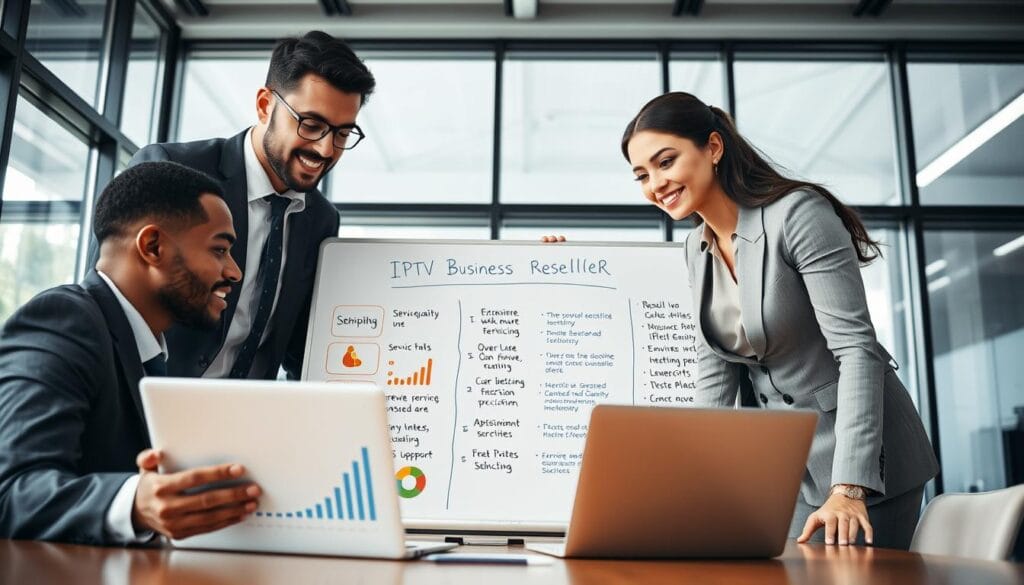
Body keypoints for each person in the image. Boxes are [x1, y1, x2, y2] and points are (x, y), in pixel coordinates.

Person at [619, 92, 938, 550]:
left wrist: (849, 487)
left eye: (665, 162)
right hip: (790, 473)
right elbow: (714, 376)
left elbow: (857, 350)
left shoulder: (797, 214)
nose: (655, 184)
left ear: (712, 147)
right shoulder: (696, 249)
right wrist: (687, 491)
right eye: (642, 175)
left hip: (869, 464)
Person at [0, 162, 261, 544]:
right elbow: (11, 493)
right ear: (152, 246)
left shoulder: (148, 350)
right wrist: (135, 504)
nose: (235, 272)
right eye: (219, 249)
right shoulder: (63, 320)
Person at [125, 31, 375, 380]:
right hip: (151, 409)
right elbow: (110, 308)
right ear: (264, 106)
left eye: (342, 134)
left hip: (251, 420)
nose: (325, 149)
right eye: (312, 125)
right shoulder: (171, 170)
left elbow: (301, 346)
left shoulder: (321, 219)